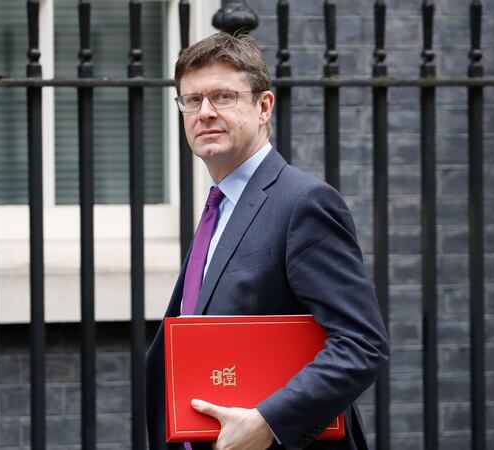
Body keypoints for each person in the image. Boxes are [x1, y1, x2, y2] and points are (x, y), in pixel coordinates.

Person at [145, 33, 390, 450]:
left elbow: (362, 344)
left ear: (263, 107)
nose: (205, 112)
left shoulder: (303, 203)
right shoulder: (220, 206)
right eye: (192, 100)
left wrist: (268, 421)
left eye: (223, 97)